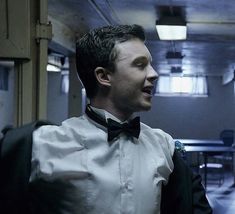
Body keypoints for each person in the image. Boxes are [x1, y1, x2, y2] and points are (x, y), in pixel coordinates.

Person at [0, 24, 212, 214]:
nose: (154, 73)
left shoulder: (164, 146)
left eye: (151, 64)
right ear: (103, 76)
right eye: (140, 64)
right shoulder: (42, 144)